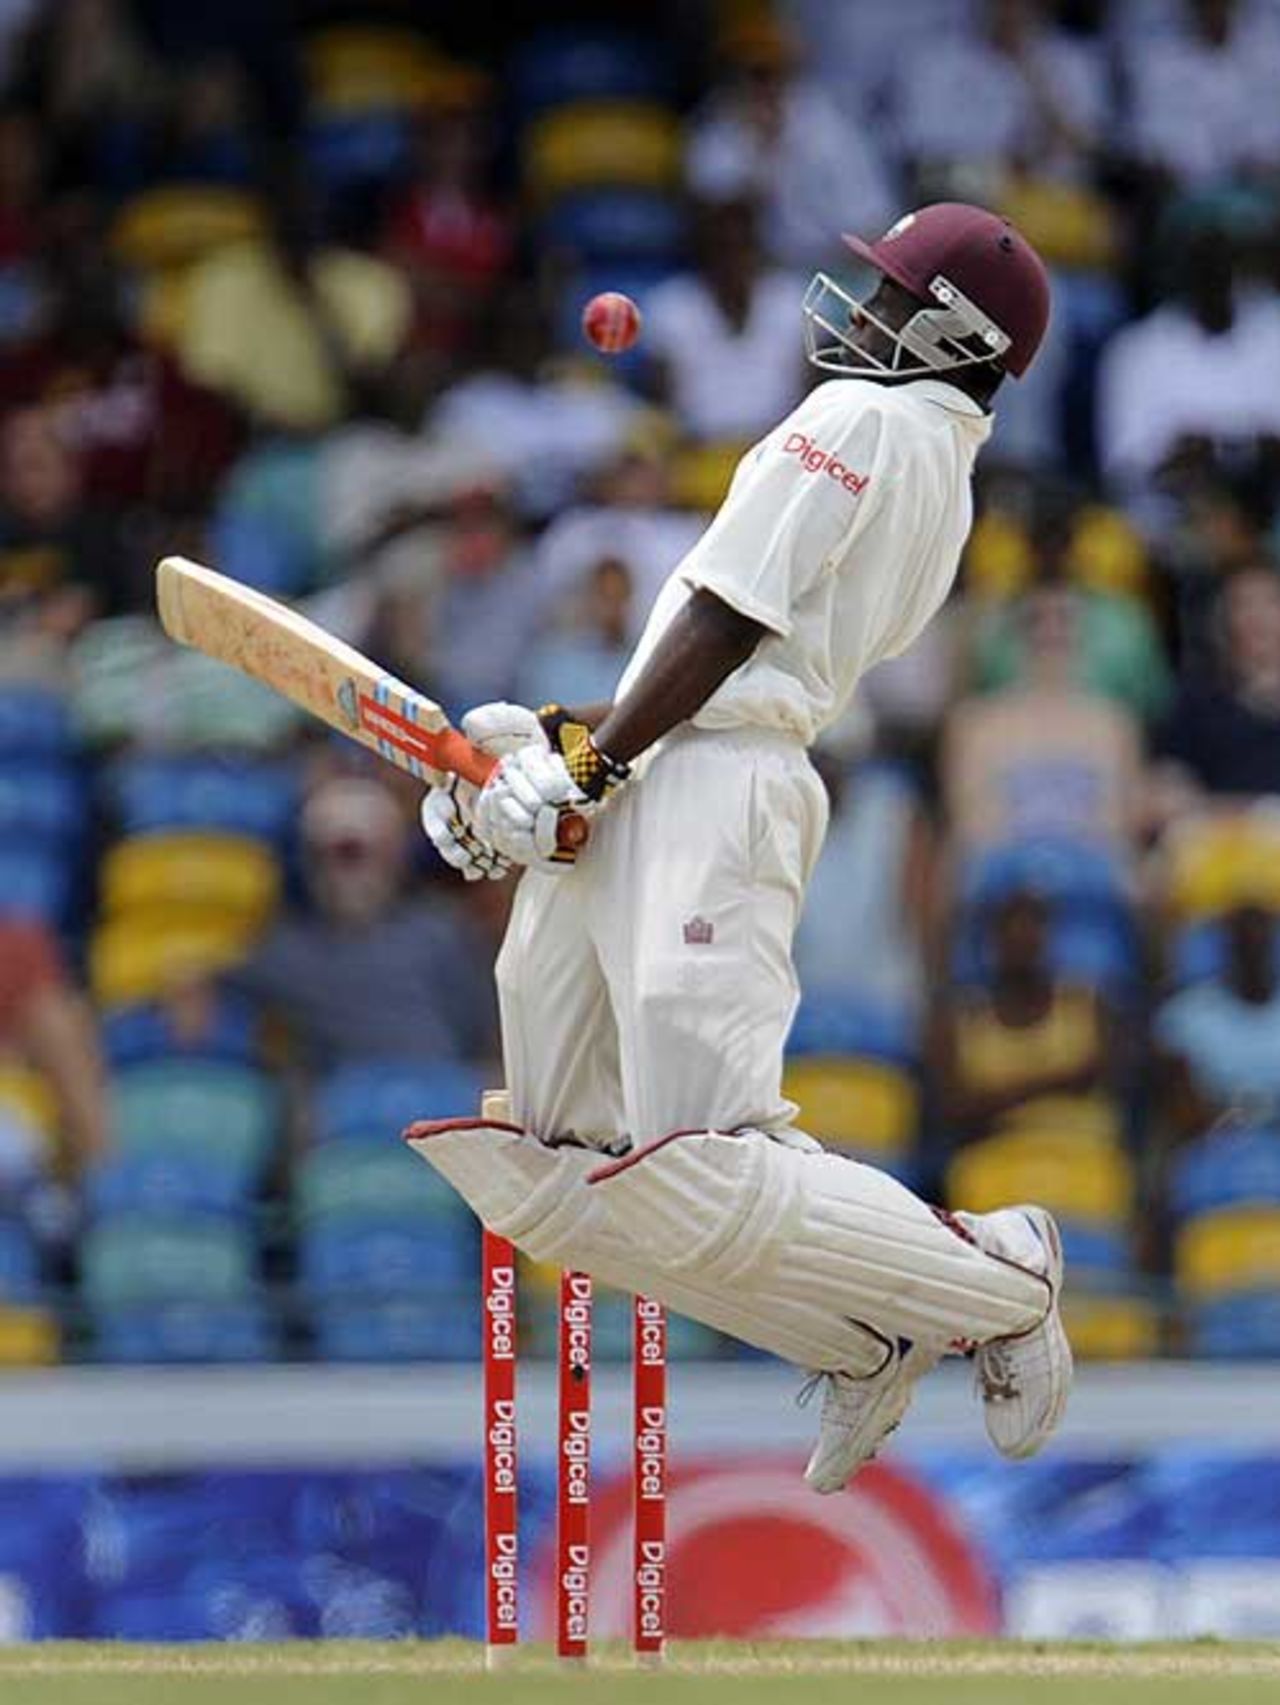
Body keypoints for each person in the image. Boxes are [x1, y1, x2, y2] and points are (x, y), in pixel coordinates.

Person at [412, 203, 1071, 1493]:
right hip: (678, 759)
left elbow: (728, 623)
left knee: (698, 1163)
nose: (864, 309)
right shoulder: (938, 468)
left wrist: (591, 763)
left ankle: (1003, 1275)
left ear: (957, 333)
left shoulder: (865, 418)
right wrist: (550, 738)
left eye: (894, 296)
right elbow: (729, 658)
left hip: (713, 788)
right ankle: (858, 1340)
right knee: (564, 1173)